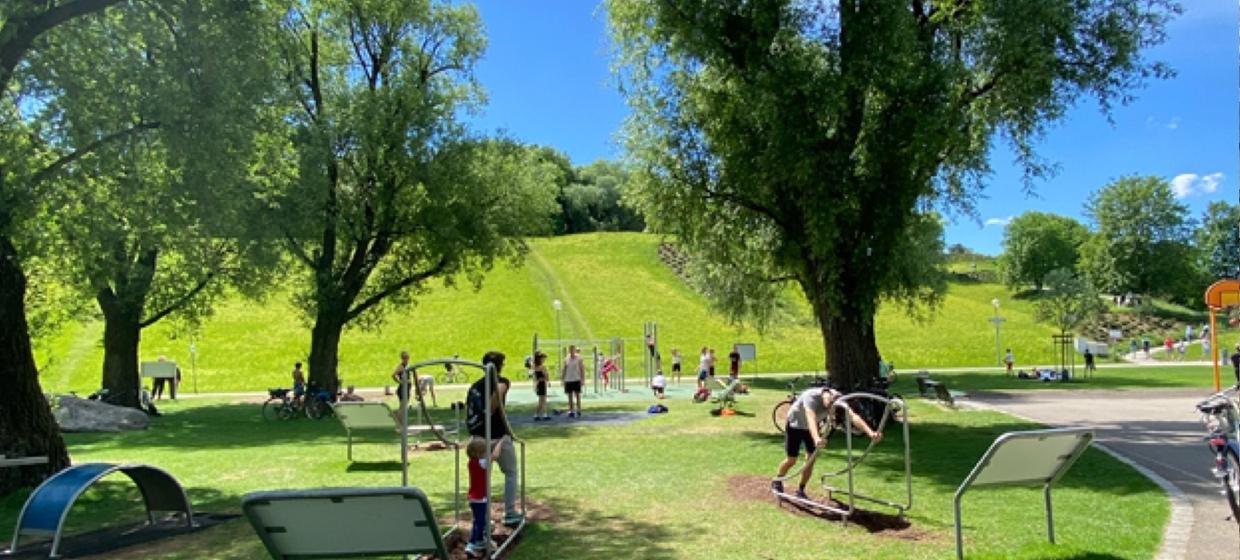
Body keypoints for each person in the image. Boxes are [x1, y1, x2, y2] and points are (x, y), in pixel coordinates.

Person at [772, 386, 881, 500]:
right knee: (792, 460)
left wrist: (871, 433)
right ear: (824, 399)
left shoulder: (838, 399)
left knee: (811, 459)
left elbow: (853, 417)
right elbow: (811, 417)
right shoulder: (811, 396)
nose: (831, 410)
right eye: (829, 406)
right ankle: (778, 480)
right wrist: (817, 438)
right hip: (795, 425)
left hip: (812, 427)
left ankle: (801, 489)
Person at [466, 351, 522, 528]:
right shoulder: (501, 382)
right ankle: (510, 512)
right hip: (498, 436)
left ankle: (484, 518)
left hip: (479, 438)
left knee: (483, 478)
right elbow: (491, 406)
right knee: (511, 472)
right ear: (499, 366)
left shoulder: (475, 386)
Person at [465, 436, 502, 558]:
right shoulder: (483, 463)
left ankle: (480, 540)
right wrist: (501, 442)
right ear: (479, 453)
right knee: (479, 522)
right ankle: (471, 544)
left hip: (473, 497)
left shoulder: (472, 462)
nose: (488, 453)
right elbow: (495, 455)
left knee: (480, 518)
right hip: (480, 498)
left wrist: (493, 441)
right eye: (486, 451)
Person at [561, 345, 585, 418]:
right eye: (570, 350)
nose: (572, 351)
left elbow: (582, 369)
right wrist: (562, 379)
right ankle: (571, 410)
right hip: (568, 379)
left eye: (573, 350)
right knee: (570, 396)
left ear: (575, 350)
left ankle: (578, 410)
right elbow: (564, 369)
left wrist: (582, 379)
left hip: (577, 379)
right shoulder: (566, 358)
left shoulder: (579, 358)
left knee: (577, 395)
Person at [392, 351, 413, 423]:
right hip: (402, 389)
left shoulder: (408, 365)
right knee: (402, 407)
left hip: (407, 388)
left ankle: (401, 422)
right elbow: (393, 375)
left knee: (404, 407)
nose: (406, 359)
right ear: (402, 359)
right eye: (404, 358)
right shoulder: (401, 366)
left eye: (407, 358)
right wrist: (400, 382)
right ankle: (398, 422)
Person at [531, 351, 550, 421]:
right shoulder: (542, 367)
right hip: (541, 384)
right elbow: (546, 377)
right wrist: (547, 373)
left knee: (542, 400)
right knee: (542, 400)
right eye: (543, 358)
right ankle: (538, 414)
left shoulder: (534, 366)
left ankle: (543, 414)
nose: (544, 360)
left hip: (539, 384)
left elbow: (535, 377)